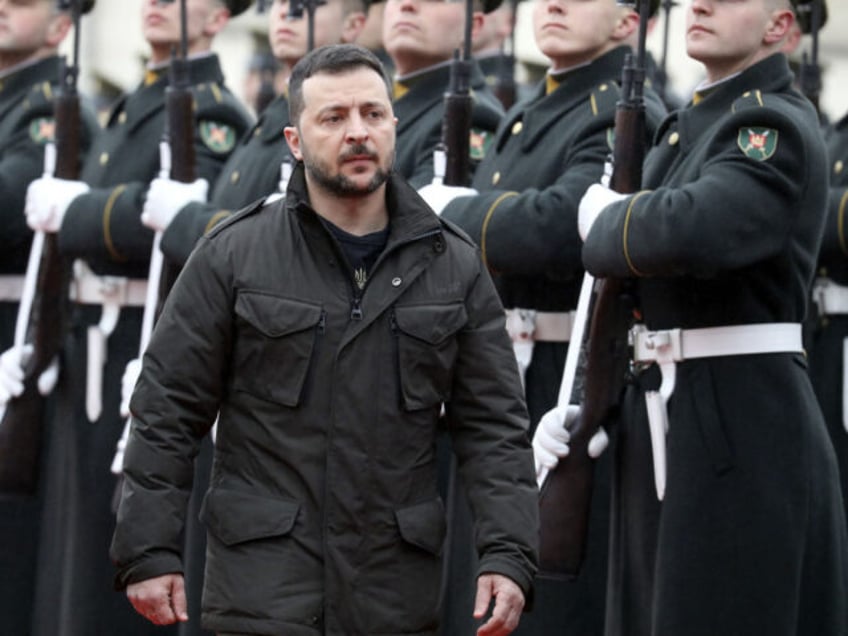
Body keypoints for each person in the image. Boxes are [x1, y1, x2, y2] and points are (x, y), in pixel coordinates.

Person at [110, 43, 538, 636]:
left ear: (393, 125)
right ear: (294, 141)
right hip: (264, 590)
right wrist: (149, 549)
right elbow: (166, 409)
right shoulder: (234, 254)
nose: (357, 132)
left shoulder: (454, 264)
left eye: (372, 114)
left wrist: (509, 553)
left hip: (392, 593)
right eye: (333, 118)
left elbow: (495, 428)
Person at [541, 0, 848, 633]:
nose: (699, 4)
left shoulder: (771, 125)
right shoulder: (689, 126)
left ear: (780, 27)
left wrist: (605, 219)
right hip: (663, 416)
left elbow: (692, 229)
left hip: (736, 422)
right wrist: (587, 400)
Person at [418, 1, 666, 634]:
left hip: (559, 378)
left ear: (628, 22)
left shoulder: (619, 112)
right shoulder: (535, 110)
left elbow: (561, 227)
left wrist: (457, 212)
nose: (552, 3)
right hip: (496, 373)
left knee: (543, 598)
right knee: (472, 585)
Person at [9, 1, 254, 635]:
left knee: (111, 550)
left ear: (215, 19)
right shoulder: (132, 105)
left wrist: (80, 211)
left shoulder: (215, 110)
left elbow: (176, 226)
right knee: (71, 552)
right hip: (85, 341)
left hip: (135, 342)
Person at [0, 1, 98, 633]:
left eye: (24, 1)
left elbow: (8, 207)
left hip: (13, 328)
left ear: (63, 28)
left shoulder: (45, 109)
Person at [382, 0, 505, 188]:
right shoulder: (374, 95)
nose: (407, 4)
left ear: (472, 26)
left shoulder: (469, 114)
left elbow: (417, 210)